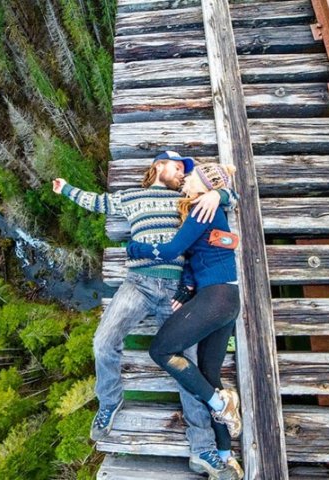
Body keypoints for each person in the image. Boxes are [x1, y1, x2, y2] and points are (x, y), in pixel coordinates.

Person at [51, 151, 238, 479]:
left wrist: (217, 192)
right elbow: (96, 201)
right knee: (102, 341)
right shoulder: (130, 196)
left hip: (177, 291)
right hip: (137, 284)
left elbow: (229, 198)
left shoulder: (188, 201)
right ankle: (109, 401)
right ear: (158, 166)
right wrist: (65, 188)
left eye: (185, 171)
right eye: (177, 167)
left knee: (187, 364)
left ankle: (203, 448)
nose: (181, 174)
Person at [126, 163, 243, 480]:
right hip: (227, 300)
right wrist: (187, 286)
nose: (185, 178)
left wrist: (135, 247)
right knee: (208, 374)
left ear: (202, 184)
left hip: (216, 298)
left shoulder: (199, 208)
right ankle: (224, 455)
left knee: (161, 350)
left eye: (190, 176)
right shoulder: (210, 207)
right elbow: (201, 253)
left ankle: (219, 402)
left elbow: (171, 250)